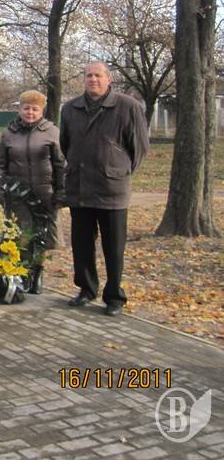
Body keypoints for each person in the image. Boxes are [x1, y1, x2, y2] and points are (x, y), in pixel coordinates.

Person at [60, 61, 149, 316]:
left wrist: (116, 169)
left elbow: (139, 148)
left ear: (109, 79)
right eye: (89, 75)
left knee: (114, 247)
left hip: (112, 191)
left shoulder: (128, 106)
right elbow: (66, 144)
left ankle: (114, 297)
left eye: (98, 75)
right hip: (80, 188)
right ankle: (86, 289)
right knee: (82, 245)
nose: (93, 80)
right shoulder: (70, 108)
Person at [0, 89, 66, 294]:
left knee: (43, 236)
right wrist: (2, 187)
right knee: (22, 235)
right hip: (18, 195)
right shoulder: (9, 133)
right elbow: (0, 164)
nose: (30, 113)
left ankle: (38, 273)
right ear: (20, 109)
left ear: (41, 111)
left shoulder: (51, 132)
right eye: (26, 108)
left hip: (45, 193)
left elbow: (61, 164)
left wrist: (61, 191)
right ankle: (24, 273)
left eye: (35, 109)